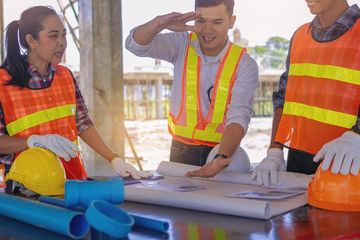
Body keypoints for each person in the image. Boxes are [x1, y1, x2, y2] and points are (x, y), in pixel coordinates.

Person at [0, 6, 151, 193]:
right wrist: (33, 141)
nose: (62, 42)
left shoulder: (65, 76)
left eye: (64, 35)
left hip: (72, 183)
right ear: (31, 40)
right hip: (28, 188)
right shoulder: (2, 82)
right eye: (53, 36)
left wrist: (114, 159)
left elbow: (83, 124)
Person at [125, 0, 258, 178]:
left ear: (231, 22)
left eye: (217, 22)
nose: (207, 30)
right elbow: (134, 45)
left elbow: (239, 115)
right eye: (201, 21)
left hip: (222, 150)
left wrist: (220, 158)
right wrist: (160, 23)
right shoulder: (181, 44)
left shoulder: (244, 64)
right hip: (181, 150)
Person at [252, 0, 360, 187]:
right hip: (298, 167)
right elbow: (283, 96)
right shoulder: (300, 35)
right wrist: (275, 152)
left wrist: (356, 136)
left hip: (349, 165)